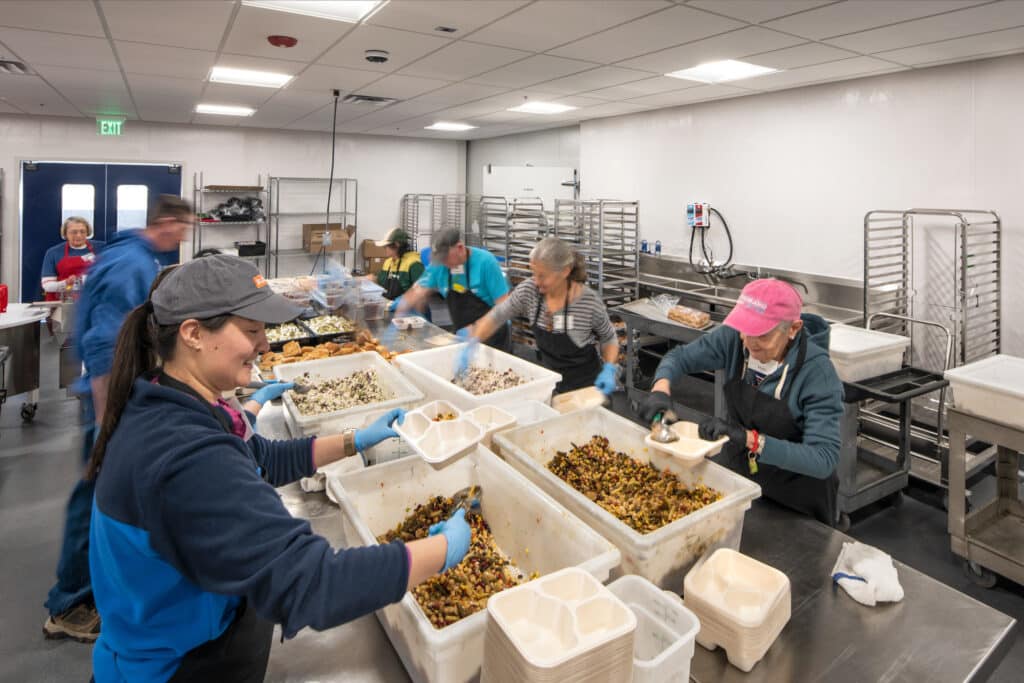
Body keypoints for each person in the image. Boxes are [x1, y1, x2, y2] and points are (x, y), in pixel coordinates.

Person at [86, 255, 470, 681]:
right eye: (251, 330)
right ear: (193, 334)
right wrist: (443, 551)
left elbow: (260, 459)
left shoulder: (174, 401)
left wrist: (353, 440)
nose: (266, 345)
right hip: (176, 668)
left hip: (196, 637)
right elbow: (312, 583)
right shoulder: (184, 456)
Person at [42, 195, 191, 642]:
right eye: (182, 227)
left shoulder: (130, 254)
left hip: (113, 393)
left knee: (106, 494)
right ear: (166, 223)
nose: (184, 236)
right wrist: (109, 420)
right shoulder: (131, 264)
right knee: (96, 495)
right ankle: (69, 605)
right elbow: (108, 343)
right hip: (109, 397)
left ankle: (97, 588)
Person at [639, 279, 843, 525]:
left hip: (798, 499)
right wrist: (661, 389)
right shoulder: (736, 338)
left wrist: (749, 439)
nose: (748, 342)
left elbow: (823, 458)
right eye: (745, 330)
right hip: (745, 479)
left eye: (763, 335)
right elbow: (679, 357)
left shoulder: (817, 373)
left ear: (793, 329)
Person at [457, 237, 619, 395]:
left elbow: (609, 337)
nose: (536, 281)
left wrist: (609, 368)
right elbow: (497, 315)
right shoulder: (529, 292)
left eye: (543, 275)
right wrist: (474, 339)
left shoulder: (587, 302)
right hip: (551, 381)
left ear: (565, 271)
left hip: (589, 388)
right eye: (534, 273)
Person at [397, 228, 510, 348]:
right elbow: (417, 291)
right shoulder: (439, 265)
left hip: (493, 336)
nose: (443, 263)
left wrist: (477, 329)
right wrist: (402, 308)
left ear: (460, 248)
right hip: (463, 336)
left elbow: (504, 307)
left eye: (446, 258)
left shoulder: (486, 262)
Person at [40, 216, 104, 300]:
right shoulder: (53, 253)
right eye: (74, 232)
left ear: (88, 232)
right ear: (65, 234)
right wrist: (66, 283)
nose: (79, 235)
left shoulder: (102, 248)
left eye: (83, 231)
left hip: (94, 302)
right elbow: (47, 285)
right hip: (62, 303)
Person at [370, 228, 424, 304]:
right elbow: (380, 281)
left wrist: (402, 304)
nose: (384, 248)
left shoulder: (414, 263)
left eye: (386, 246)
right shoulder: (388, 262)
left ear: (397, 245)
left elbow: (422, 293)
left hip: (410, 310)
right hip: (390, 306)